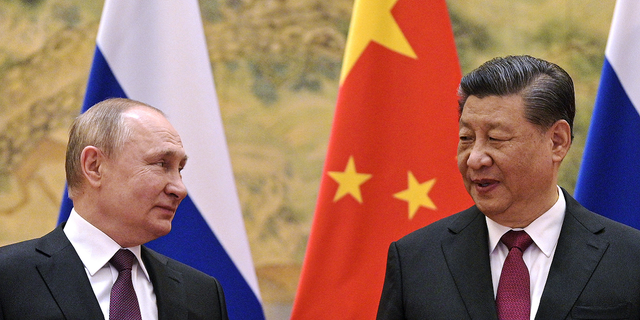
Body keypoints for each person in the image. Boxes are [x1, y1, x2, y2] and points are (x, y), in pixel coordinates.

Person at [377, 55, 640, 319]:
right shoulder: (414, 260)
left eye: (496, 138)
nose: (475, 158)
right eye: (466, 138)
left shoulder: (630, 259)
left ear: (557, 142)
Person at [0, 98, 229, 320]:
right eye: (161, 164)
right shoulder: (8, 278)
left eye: (179, 169)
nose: (180, 188)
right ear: (94, 166)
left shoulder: (202, 294)